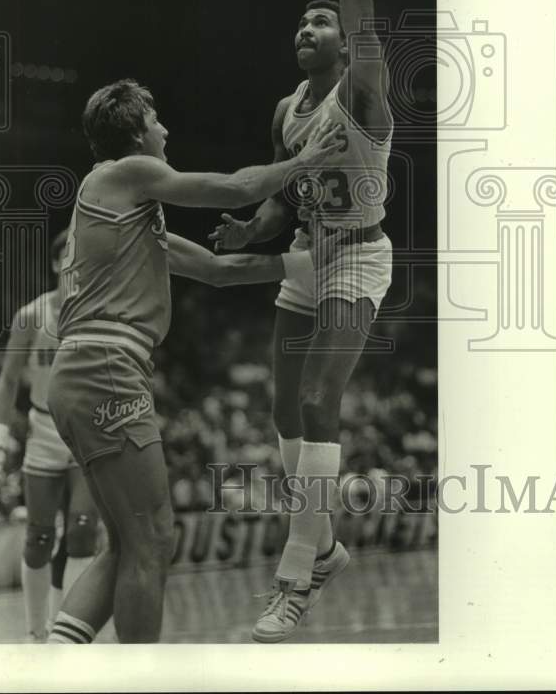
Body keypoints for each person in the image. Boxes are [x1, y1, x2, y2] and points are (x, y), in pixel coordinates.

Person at [45, 78, 340, 644]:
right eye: (157, 121)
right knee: (154, 539)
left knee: (127, 542)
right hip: (105, 368)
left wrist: (302, 264)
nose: (166, 130)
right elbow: (234, 188)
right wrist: (306, 159)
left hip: (82, 373)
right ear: (135, 132)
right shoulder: (124, 171)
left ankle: (57, 658)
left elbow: (219, 271)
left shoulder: (127, 216)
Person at [209, 0, 394, 641]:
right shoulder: (286, 111)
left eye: (320, 19)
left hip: (358, 255)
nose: (307, 27)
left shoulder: (362, 90)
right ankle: (327, 545)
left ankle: (298, 574)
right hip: (305, 253)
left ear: (342, 40)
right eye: (300, 21)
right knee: (283, 411)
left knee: (321, 402)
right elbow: (285, 199)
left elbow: (363, 20)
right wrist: (248, 231)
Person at [0, 228, 100, 643]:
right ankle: (35, 633)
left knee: (83, 529)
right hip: (44, 430)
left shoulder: (100, 315)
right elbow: (8, 381)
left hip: (89, 433)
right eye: (67, 258)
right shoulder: (32, 316)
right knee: (39, 537)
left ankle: (66, 635)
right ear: (55, 265)